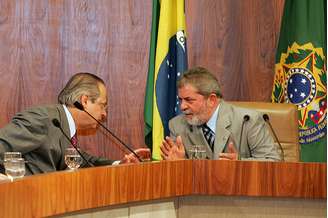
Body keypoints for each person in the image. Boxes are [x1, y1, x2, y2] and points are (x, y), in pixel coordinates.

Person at [0, 72, 150, 175]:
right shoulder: (43, 119)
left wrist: (120, 164)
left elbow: (84, 161)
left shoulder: (64, 125)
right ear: (84, 101)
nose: (104, 114)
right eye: (102, 105)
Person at [160, 67, 282, 161]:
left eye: (189, 100)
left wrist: (241, 163)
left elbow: (273, 161)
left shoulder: (248, 121)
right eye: (181, 100)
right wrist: (179, 165)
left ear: (211, 100)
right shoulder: (177, 125)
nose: (182, 106)